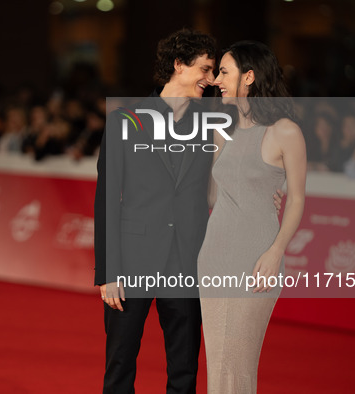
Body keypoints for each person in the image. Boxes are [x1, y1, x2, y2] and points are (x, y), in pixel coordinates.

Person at [94, 29, 284, 393]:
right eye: (206, 68)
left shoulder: (215, 124)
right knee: (119, 365)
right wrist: (108, 271)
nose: (211, 79)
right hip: (132, 262)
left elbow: (237, 176)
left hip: (189, 262)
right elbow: (106, 199)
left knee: (184, 370)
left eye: (215, 71)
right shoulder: (125, 121)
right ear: (178, 65)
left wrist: (264, 193)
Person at [197, 41, 306, 393]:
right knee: (218, 365)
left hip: (256, 259)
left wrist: (275, 253)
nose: (217, 80)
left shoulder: (285, 131)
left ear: (250, 77)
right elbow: (213, 195)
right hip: (214, 256)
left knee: (237, 364)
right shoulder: (222, 129)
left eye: (224, 73)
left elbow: (297, 200)